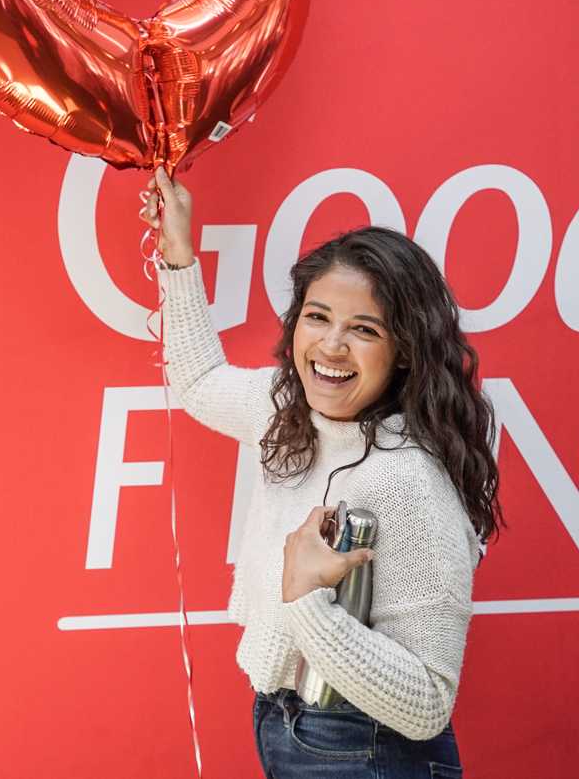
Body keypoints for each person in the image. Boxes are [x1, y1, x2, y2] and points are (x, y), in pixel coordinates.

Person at [143, 168, 502, 779]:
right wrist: (178, 254)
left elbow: (427, 704)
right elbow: (200, 384)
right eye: (318, 317)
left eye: (364, 330)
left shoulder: (408, 480)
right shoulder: (287, 409)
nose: (332, 346)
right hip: (285, 724)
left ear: (406, 350)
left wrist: (307, 600)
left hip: (368, 747)